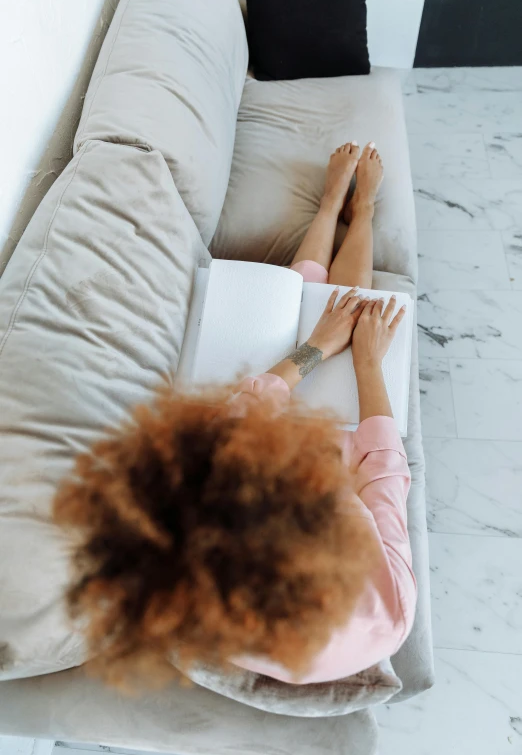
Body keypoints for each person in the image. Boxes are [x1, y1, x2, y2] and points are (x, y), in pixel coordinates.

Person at [54, 142, 416, 690]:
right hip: (344, 456)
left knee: (304, 327)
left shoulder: (197, 559)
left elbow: (243, 414)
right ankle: (358, 209)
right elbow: (384, 471)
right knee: (353, 325)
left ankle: (328, 208)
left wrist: (317, 346)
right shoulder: (388, 611)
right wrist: (366, 360)